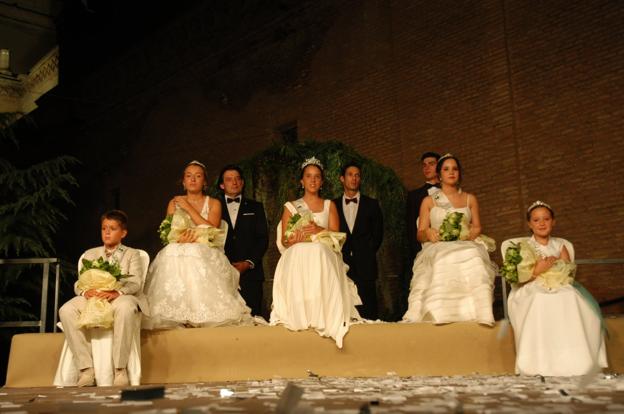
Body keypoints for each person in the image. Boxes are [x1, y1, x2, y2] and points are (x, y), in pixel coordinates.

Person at [142, 160, 251, 329]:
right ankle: (177, 312)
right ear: (183, 181)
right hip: (180, 244)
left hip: (205, 247)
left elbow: (212, 229)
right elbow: (168, 231)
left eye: (198, 176)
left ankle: (200, 312)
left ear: (205, 182)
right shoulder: (174, 203)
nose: (193, 179)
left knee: (196, 252)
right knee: (171, 251)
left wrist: (188, 208)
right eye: (189, 176)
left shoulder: (214, 203)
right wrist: (179, 237)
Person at [507, 201, 608, 376]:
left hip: (559, 284)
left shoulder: (560, 245)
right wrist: (540, 269)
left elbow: (568, 271)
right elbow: (519, 277)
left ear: (553, 221)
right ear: (530, 224)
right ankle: (538, 362)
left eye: (546, 219)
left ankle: (575, 360)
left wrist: (556, 273)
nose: (542, 223)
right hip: (532, 285)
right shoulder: (523, 247)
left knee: (570, 297)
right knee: (540, 298)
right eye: (536, 220)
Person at [270, 157, 362, 348]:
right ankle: (300, 313)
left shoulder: (330, 205)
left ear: (321, 182)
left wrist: (318, 229)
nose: (313, 180)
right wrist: (300, 236)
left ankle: (323, 314)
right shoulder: (291, 206)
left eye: (317, 177)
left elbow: (335, 237)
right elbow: (286, 240)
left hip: (324, 253)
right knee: (302, 251)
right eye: (308, 176)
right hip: (298, 253)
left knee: (319, 250)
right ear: (301, 181)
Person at [58, 210, 149, 387]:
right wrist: (86, 292)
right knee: (66, 310)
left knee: (124, 308)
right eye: (104, 228)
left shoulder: (131, 254)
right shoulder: (90, 254)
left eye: (112, 228)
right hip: (93, 297)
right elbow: (79, 283)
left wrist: (117, 293)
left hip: (120, 295)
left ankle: (120, 370)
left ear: (123, 233)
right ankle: (86, 369)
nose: (107, 232)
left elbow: (136, 282)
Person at [403, 154, 495, 325]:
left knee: (473, 255)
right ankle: (439, 312)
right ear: (439, 175)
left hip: (465, 243)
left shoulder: (470, 198)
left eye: (455, 169)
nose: (451, 172)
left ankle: (476, 313)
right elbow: (420, 233)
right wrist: (429, 233)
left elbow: (477, 227)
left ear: (459, 173)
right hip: (438, 245)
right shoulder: (428, 201)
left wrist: (468, 234)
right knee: (441, 257)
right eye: (446, 169)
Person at [334, 162, 384, 320]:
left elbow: (378, 234)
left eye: (357, 175)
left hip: (366, 264)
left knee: (368, 309)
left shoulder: (372, 204)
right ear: (342, 179)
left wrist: (366, 252)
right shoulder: (332, 205)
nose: (354, 178)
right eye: (350, 175)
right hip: (342, 265)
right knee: (344, 308)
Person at [217, 165, 269, 318]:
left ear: (243, 182)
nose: (234, 182)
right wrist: (225, 264)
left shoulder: (256, 207)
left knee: (253, 318)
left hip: (250, 274)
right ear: (222, 185)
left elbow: (263, 238)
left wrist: (248, 262)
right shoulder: (214, 207)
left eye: (237, 178)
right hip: (221, 272)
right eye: (229, 179)